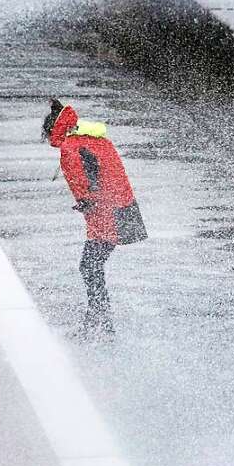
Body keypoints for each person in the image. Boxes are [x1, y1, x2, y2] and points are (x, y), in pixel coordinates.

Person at [42, 98, 146, 332]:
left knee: (89, 266)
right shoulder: (97, 139)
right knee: (93, 265)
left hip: (106, 214)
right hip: (124, 207)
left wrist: (85, 202)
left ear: (53, 130)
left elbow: (83, 181)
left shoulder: (71, 147)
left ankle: (100, 320)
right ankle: (99, 317)